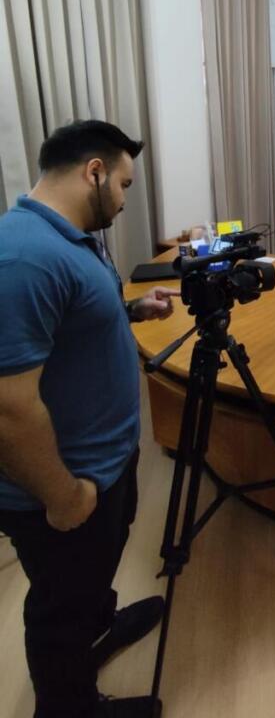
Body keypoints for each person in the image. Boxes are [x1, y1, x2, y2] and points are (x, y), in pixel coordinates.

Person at [0, 120, 181, 718]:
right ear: (94, 171)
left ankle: (100, 624)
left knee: (91, 576)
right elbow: (7, 407)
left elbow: (71, 321)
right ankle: (69, 707)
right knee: (60, 606)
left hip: (105, 464)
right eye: (124, 184)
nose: (125, 200)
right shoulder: (23, 258)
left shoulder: (71, 239)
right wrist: (63, 496)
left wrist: (133, 309)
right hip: (64, 483)